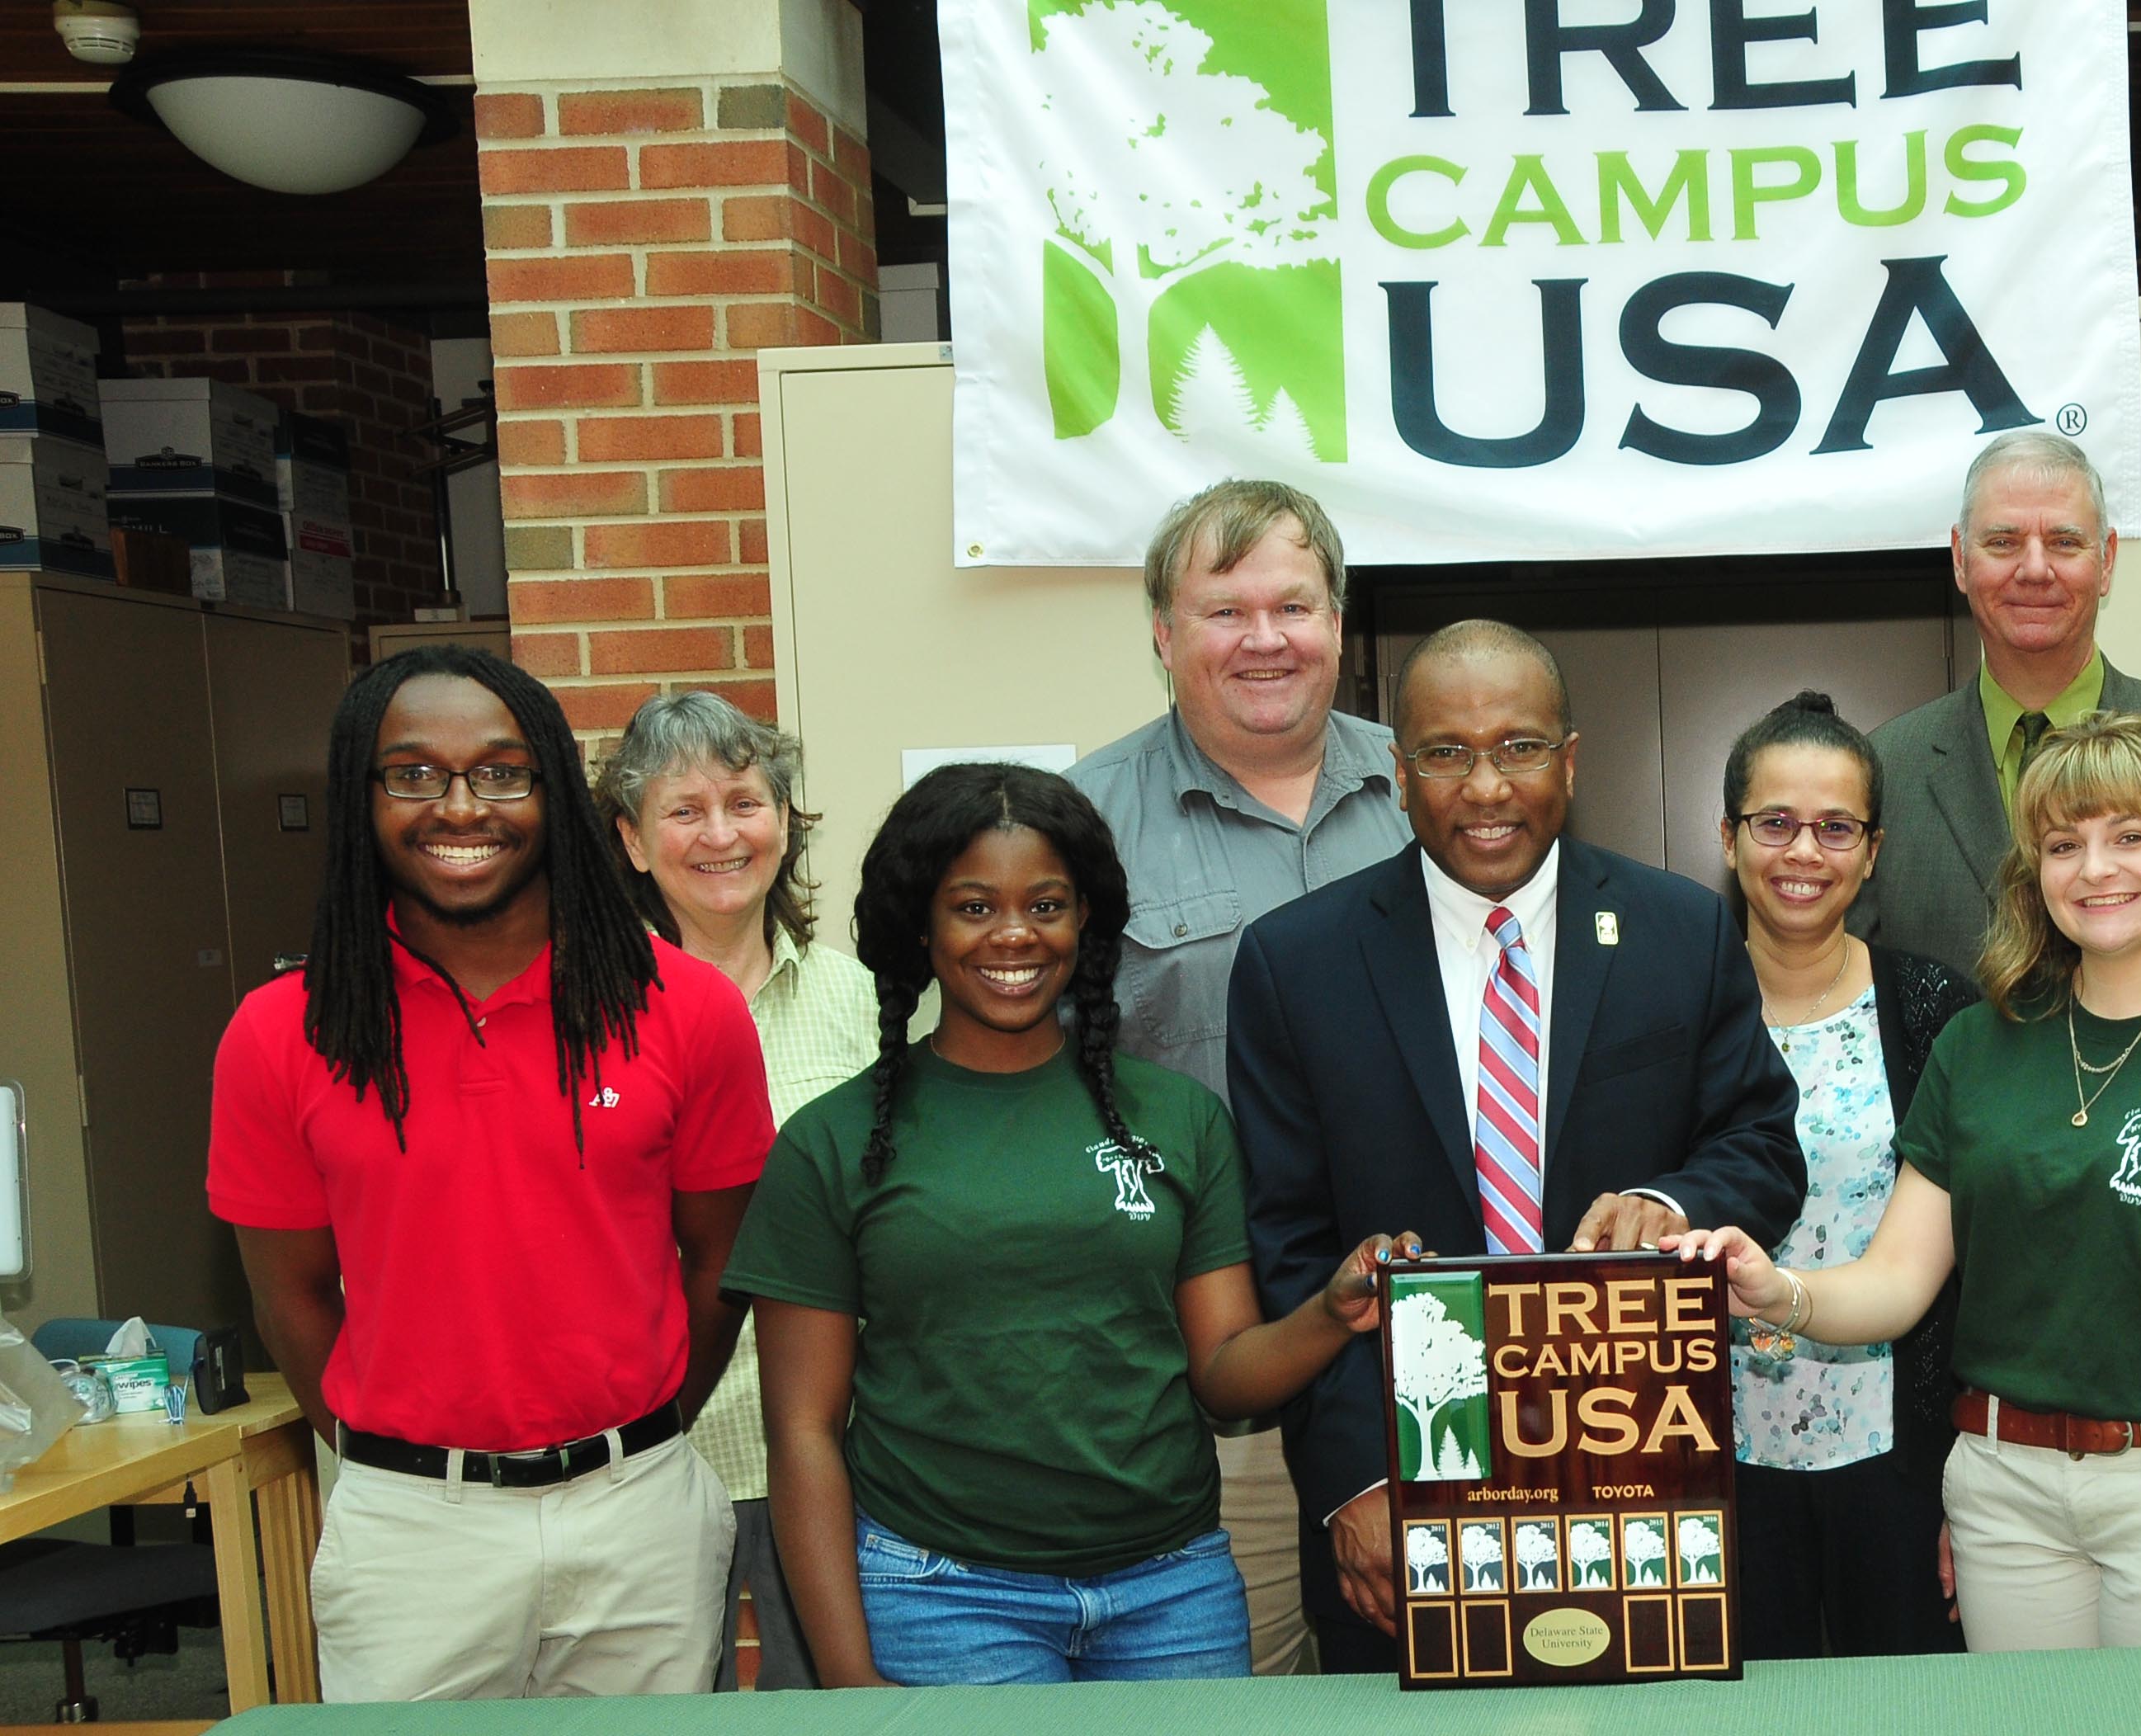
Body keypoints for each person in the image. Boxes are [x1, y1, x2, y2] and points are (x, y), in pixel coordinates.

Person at [726, 762, 1421, 1687]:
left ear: (1086, 917)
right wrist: (852, 1683)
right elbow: (804, 1434)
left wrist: (1331, 1312)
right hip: (943, 1594)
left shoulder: (1176, 1117)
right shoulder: (833, 1141)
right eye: (974, 907)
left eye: (1046, 903)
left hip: (1173, 1590)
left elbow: (1224, 1378)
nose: (1014, 934)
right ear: (920, 923)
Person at [1667, 713, 2141, 1652]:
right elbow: (1899, 1278)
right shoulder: (1977, 1043)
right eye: (2062, 844)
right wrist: (1775, 1288)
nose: (2095, 868)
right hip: (2003, 1493)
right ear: (2035, 874)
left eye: (2129, 836)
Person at [1228, 620, 1809, 1673]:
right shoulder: (1293, 965)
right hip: (1403, 1492)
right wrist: (1354, 1482)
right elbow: (1287, 1247)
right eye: (1446, 753)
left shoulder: (1680, 930)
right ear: (1398, 775)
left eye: (1520, 747)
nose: (1486, 785)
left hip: (1639, 1469)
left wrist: (1670, 1204)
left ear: (1571, 760)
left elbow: (1762, 1142)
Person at [207, 644, 768, 1701]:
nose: (460, 807)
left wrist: (634, 1434)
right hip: (411, 1531)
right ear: (359, 798)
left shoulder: (686, 1010)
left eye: (501, 773)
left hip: (637, 1512)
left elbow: (721, 1263)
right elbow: (287, 1299)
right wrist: (408, 1462)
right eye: (413, 774)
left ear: (552, 790)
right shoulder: (280, 1033)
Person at [1066, 479, 1409, 1674]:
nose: (1264, 639)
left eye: (1293, 606)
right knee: (1244, 1695)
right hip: (1216, 1391)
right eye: (1224, 611)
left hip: (1437, 1363)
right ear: (1163, 634)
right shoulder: (1075, 828)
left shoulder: (1442, 796)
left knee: (1458, 1693)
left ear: (1338, 621)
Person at [597, 689, 879, 1693]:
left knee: (839, 1709)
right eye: (683, 811)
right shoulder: (587, 1020)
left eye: (744, 802)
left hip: (837, 1444)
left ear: (785, 823)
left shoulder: (862, 999)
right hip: (665, 1451)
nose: (720, 834)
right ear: (631, 842)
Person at [1851, 430, 2141, 1003]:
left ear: (2108, 561)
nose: (2035, 569)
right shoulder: (1882, 772)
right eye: (2003, 542)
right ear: (1960, 561)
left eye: (2065, 542)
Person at [1713, 691, 1979, 1659]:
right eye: (1774, 822)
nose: (1802, 853)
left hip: (1894, 1453)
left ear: (1872, 850)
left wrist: (1966, 1486)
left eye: (1836, 827)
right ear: (1730, 834)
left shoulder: (1935, 1008)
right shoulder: (1664, 1009)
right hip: (1713, 1454)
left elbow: (1976, 1262)